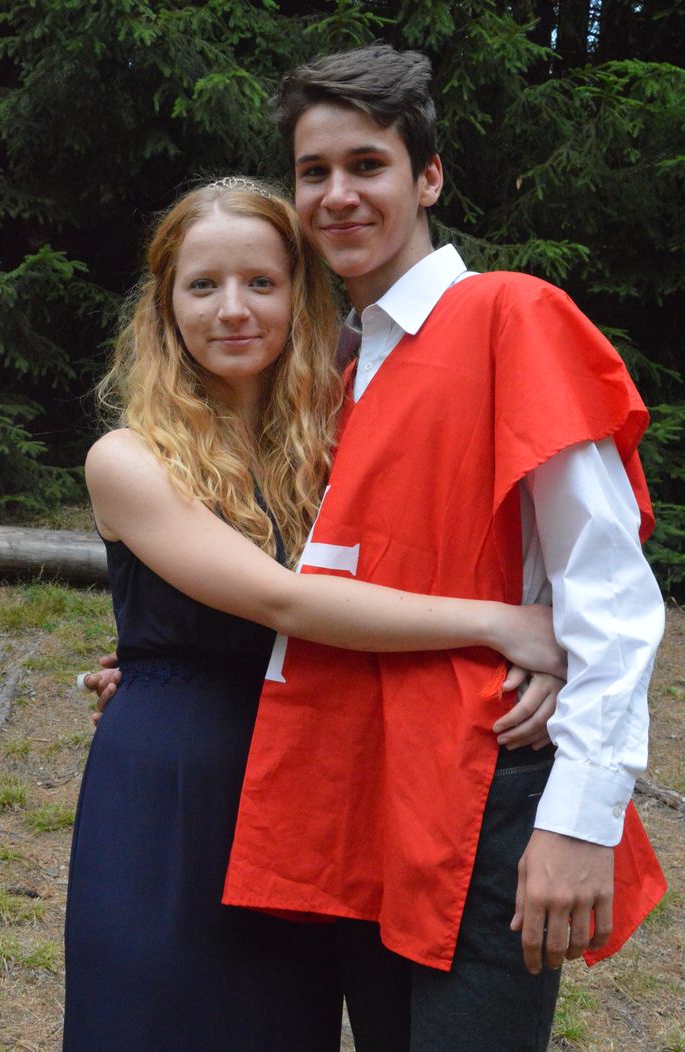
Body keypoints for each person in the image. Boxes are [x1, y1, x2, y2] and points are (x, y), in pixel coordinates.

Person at [219, 46, 667, 1052]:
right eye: (313, 171)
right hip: (363, 783)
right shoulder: (340, 363)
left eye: (366, 165)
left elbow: (607, 588)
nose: (337, 194)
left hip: (483, 791)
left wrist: (578, 819)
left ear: (427, 178)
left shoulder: (510, 314)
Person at [64, 177, 566, 1051]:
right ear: (164, 306)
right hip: (172, 785)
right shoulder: (128, 458)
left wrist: (532, 657)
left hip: (310, 784)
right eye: (203, 285)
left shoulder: (335, 440)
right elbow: (280, 599)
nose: (233, 309)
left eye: (261, 282)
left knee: (281, 1025)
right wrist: (498, 624)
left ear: (300, 296)